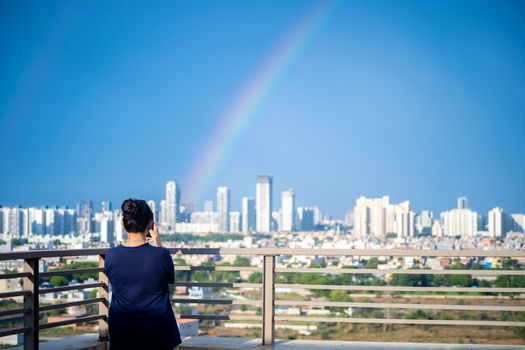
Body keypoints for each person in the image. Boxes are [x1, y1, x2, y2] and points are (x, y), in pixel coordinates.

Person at [104, 198, 181, 350]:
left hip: (122, 330)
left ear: (123, 224)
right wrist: (157, 241)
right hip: (157, 329)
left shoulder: (111, 255)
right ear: (150, 224)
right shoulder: (161, 255)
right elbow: (170, 279)